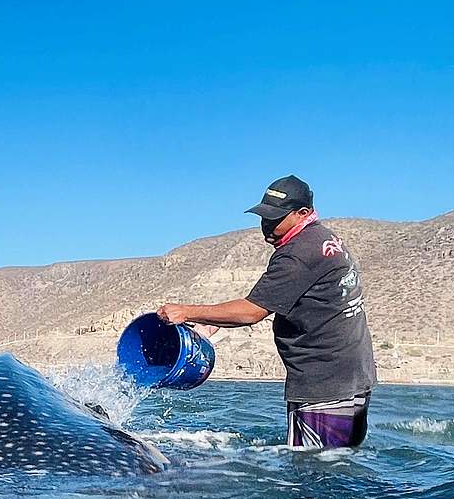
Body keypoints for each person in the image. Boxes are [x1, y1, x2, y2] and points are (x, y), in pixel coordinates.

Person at [157, 175, 376, 449]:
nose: (266, 228)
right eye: (263, 218)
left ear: (303, 213)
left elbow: (252, 311)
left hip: (324, 382)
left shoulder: (297, 253)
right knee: (342, 461)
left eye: (275, 219)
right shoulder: (322, 238)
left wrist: (186, 312)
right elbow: (279, 294)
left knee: (317, 475)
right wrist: (213, 324)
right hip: (352, 374)